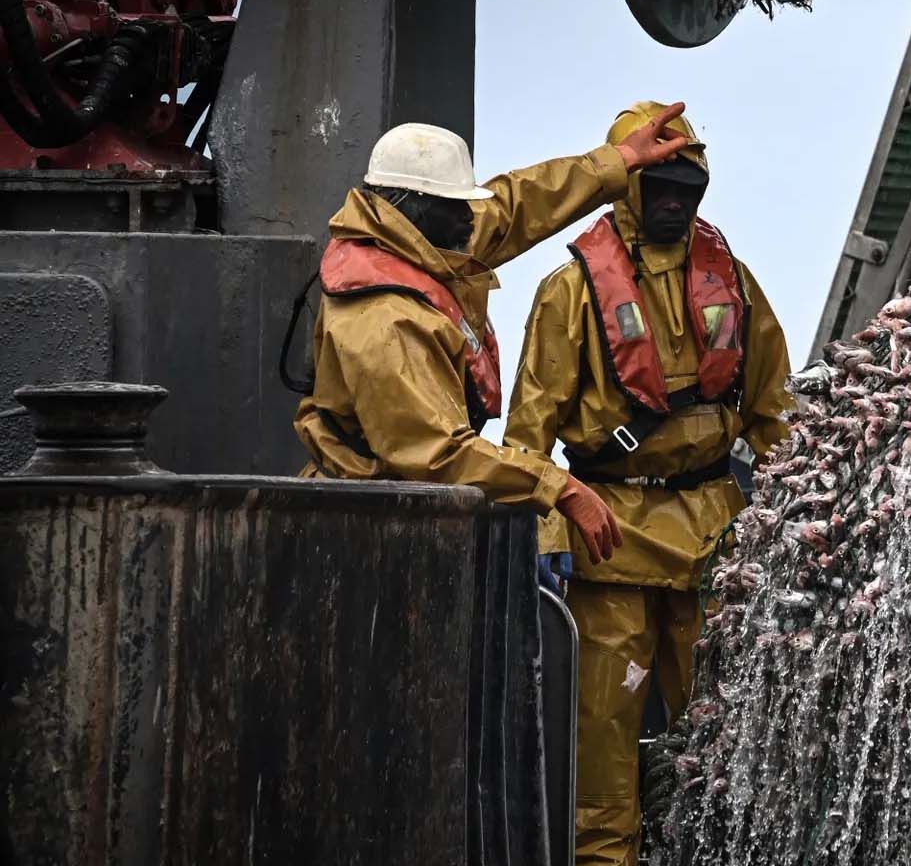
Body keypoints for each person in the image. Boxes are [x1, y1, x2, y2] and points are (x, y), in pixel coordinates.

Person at [501, 101, 794, 866]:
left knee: (730, 735)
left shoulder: (731, 280)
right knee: (602, 747)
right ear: (626, 185)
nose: (672, 198)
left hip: (717, 546)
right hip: (611, 545)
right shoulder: (570, 293)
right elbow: (528, 436)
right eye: (656, 183)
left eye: (685, 186)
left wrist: (792, 518)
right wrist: (547, 539)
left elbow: (776, 415)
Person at [291, 108, 692, 561]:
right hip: (363, 527)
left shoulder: (417, 239)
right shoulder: (385, 319)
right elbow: (435, 455)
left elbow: (514, 205)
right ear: (415, 206)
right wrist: (555, 485)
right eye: (457, 204)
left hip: (402, 510)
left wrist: (614, 161)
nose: (471, 216)